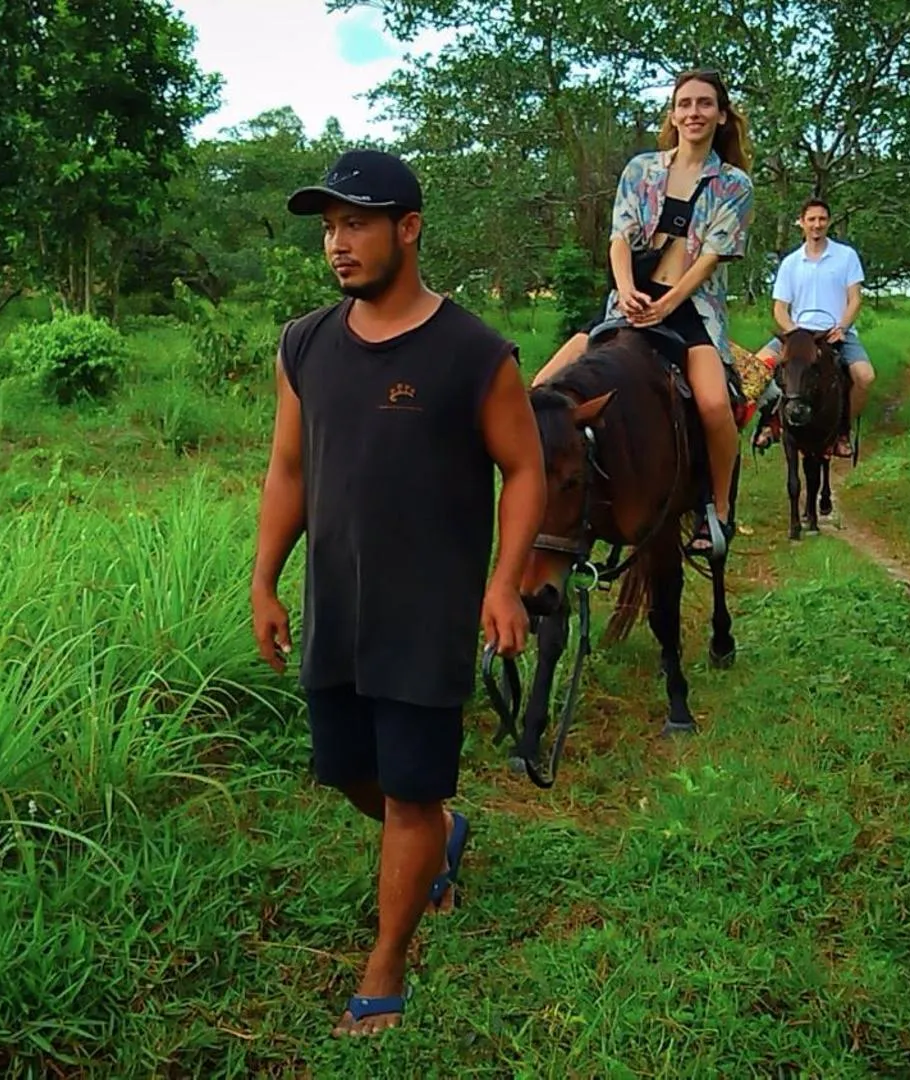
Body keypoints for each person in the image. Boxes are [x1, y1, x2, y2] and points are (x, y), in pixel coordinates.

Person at [249, 149, 546, 1038]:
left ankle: (384, 971)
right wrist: (263, 579)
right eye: (330, 227)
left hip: (427, 613)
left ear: (408, 229)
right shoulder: (304, 343)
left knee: (410, 794)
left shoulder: (472, 352)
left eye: (357, 224)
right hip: (335, 602)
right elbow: (289, 467)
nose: (338, 244)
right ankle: (440, 838)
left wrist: (504, 583)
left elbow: (525, 470)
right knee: (346, 770)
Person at [530, 68, 755, 558]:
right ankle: (539, 497)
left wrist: (668, 305)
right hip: (629, 300)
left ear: (720, 115)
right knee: (540, 392)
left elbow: (711, 256)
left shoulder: (733, 184)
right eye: (685, 104)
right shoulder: (641, 169)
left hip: (689, 308)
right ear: (673, 114)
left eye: (704, 104)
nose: (694, 113)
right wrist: (628, 291)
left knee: (716, 405)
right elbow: (619, 238)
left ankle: (716, 510)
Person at [751, 198, 873, 459]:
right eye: (811, 220)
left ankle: (842, 431)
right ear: (802, 223)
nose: (817, 225)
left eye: (821, 219)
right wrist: (794, 334)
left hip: (834, 332)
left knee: (865, 377)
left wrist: (843, 326)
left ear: (828, 222)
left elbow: (855, 299)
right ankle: (770, 422)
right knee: (756, 369)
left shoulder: (846, 256)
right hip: (798, 332)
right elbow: (780, 308)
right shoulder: (791, 263)